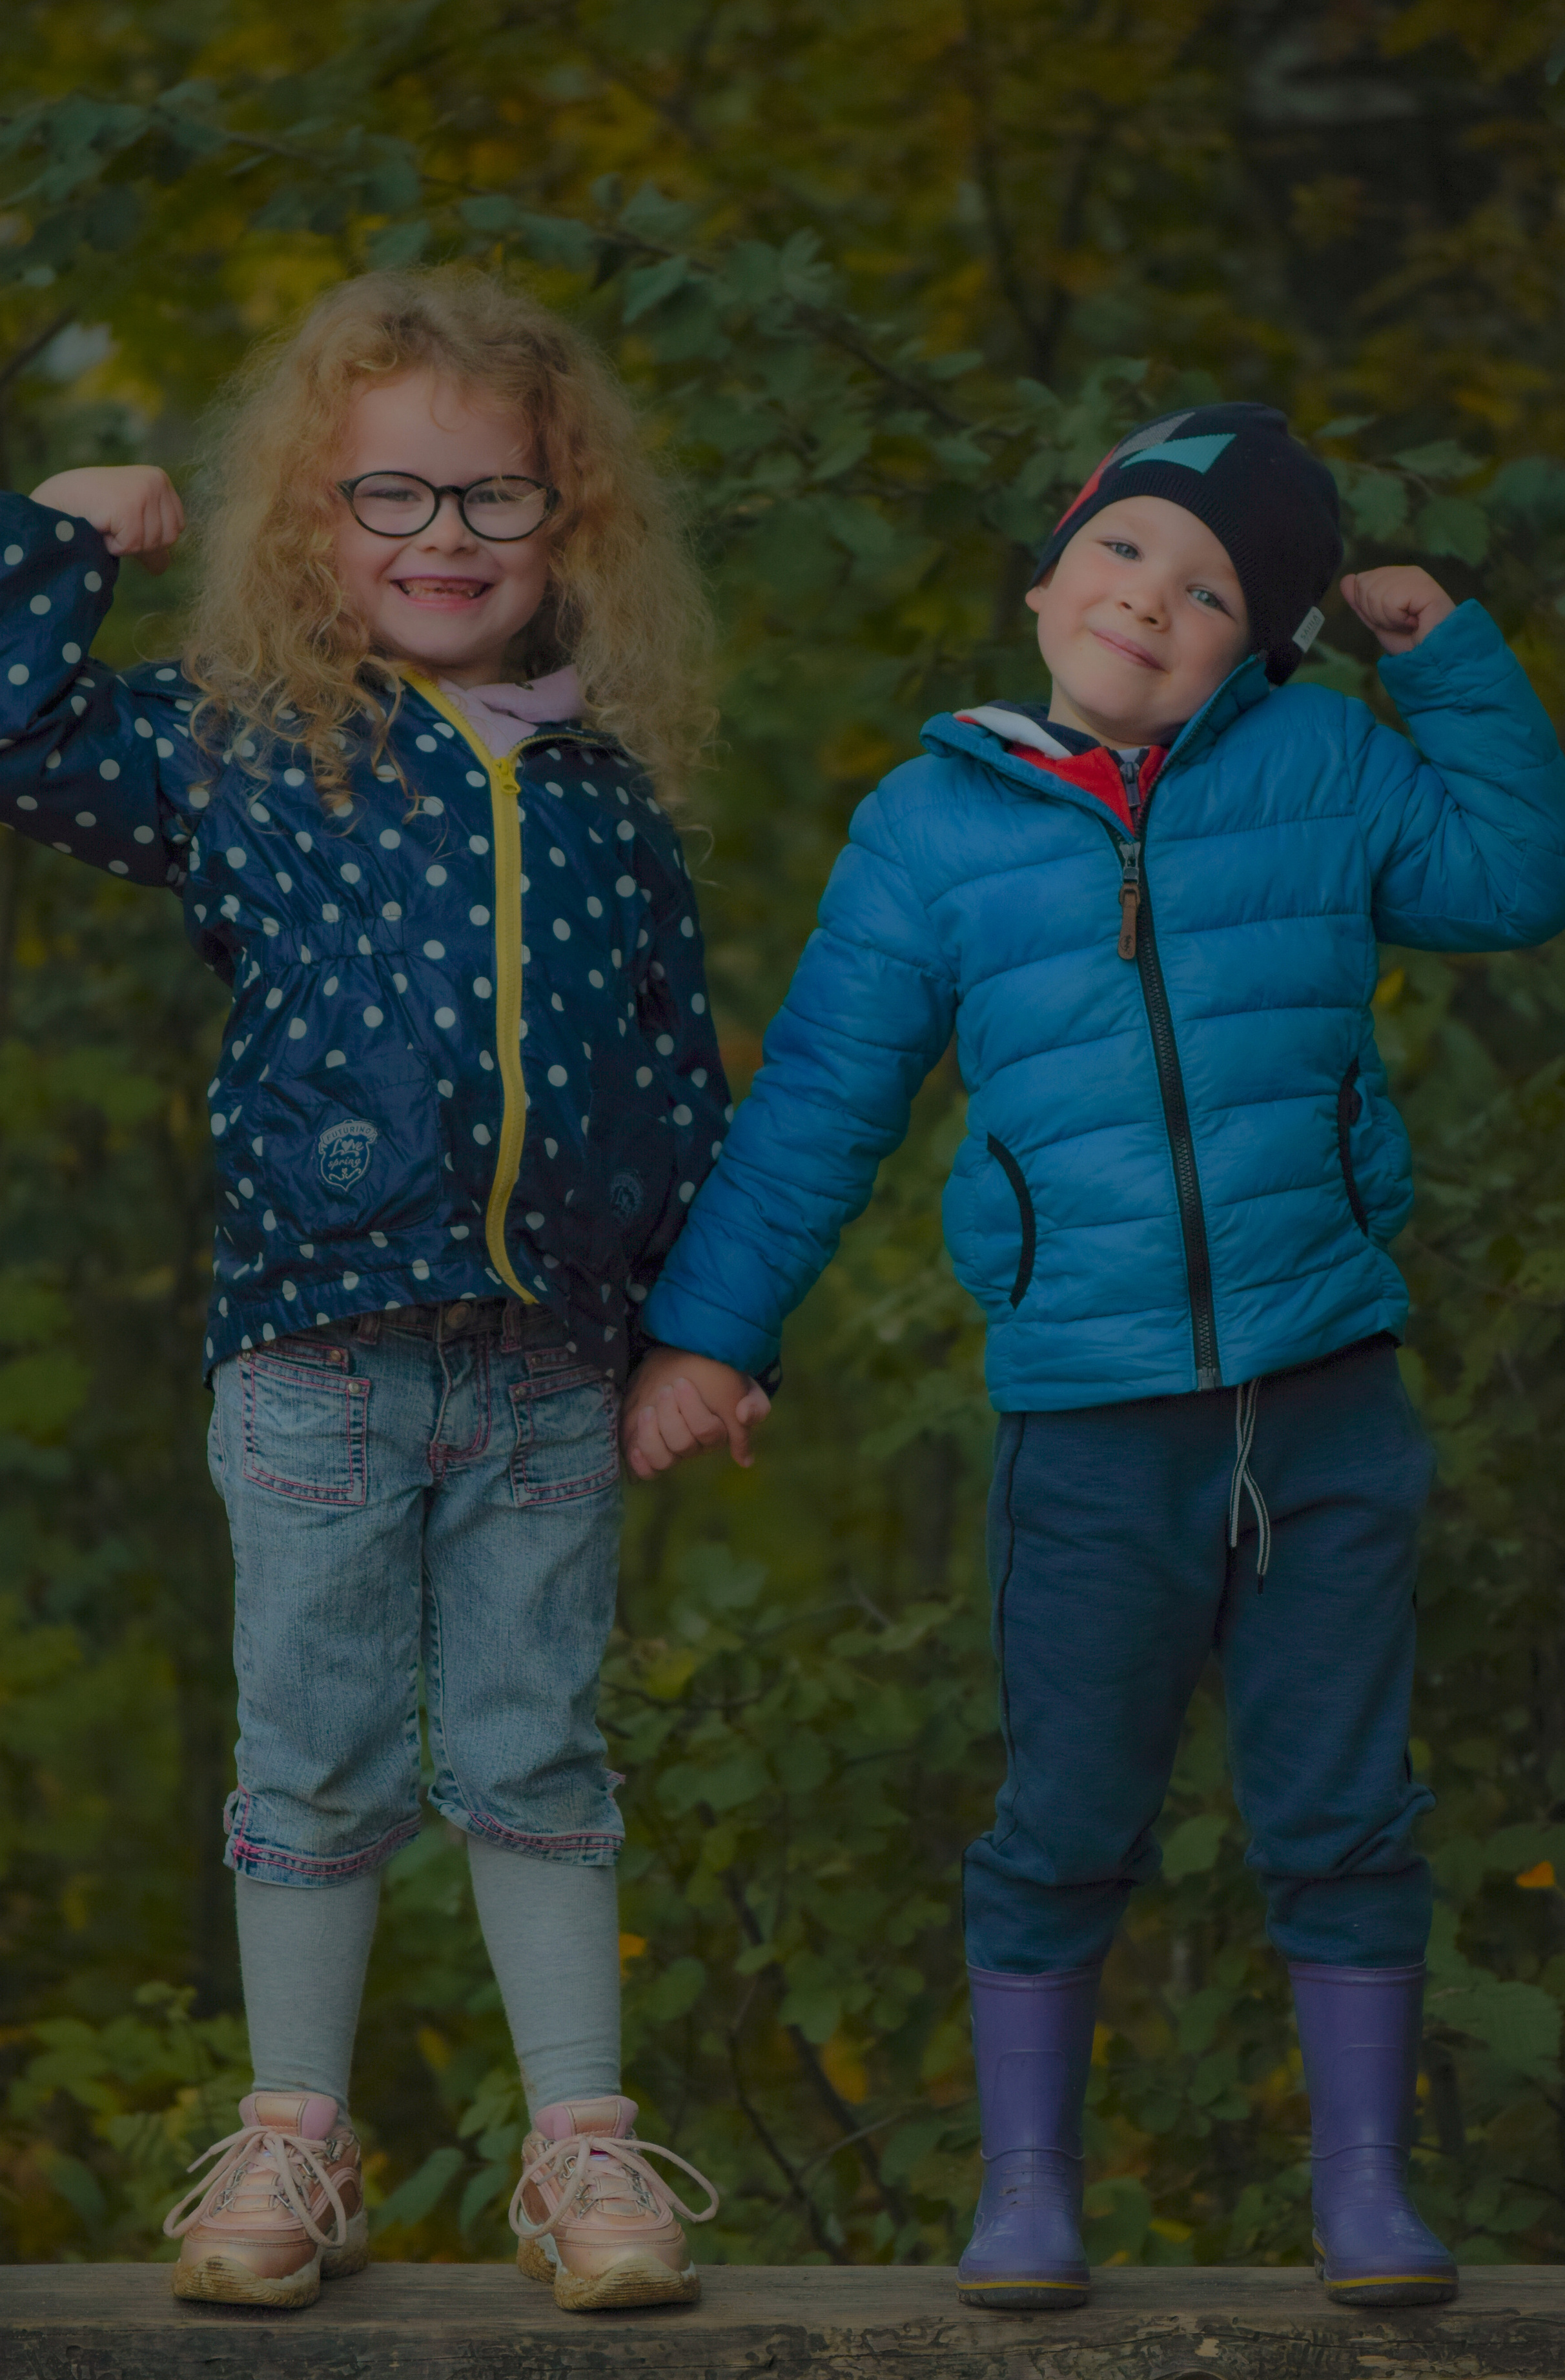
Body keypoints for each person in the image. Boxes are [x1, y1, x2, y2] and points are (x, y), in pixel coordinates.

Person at [622, 403, 1565, 2310]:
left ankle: (1366, 2193)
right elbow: (817, 1107)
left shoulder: (1325, 765)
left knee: (1343, 1809)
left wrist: (1446, 658)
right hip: (1092, 1424)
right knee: (1064, 1815)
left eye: (1213, 591)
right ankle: (1030, 2189)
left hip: (1327, 1395)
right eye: (1125, 549)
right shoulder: (932, 829)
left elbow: (1517, 876)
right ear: (1052, 573)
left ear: (1262, 645)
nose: (1152, 598)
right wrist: (709, 1337)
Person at [0, 267, 724, 2314]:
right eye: (392, 494)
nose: (445, 536)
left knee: (537, 1747)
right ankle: (296, 2138)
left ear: (567, 517)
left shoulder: (607, 796)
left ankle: (582, 2146)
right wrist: (54, 533)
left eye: (495, 496)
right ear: (312, 518)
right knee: (315, 1755)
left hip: (552, 1362)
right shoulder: (246, 750)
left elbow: (675, 1080)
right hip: (315, 1356)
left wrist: (704, 1334)